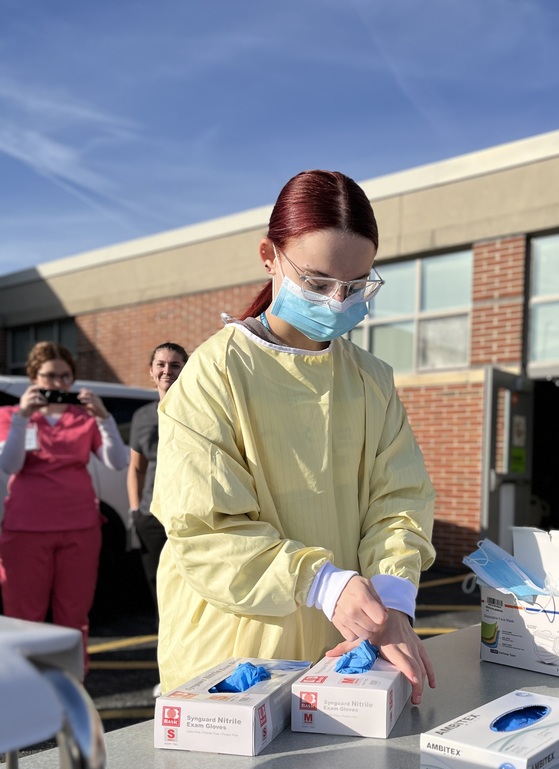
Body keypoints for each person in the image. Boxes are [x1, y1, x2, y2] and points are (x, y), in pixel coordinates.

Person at [152, 169, 436, 702]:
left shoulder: (369, 379)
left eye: (355, 286)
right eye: (318, 282)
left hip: (346, 644)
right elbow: (205, 531)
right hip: (237, 657)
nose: (336, 300)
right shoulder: (216, 373)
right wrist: (325, 584)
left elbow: (399, 501)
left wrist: (392, 600)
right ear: (269, 256)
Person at [0, 341, 128, 672]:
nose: (57, 384)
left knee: (74, 614)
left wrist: (105, 417)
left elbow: (117, 461)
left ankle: (72, 681)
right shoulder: (11, 415)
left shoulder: (83, 419)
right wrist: (22, 418)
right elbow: (9, 465)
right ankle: (24, 682)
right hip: (26, 530)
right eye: (49, 376)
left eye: (65, 377)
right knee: (24, 614)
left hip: (80, 528)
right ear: (33, 377)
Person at [127, 342, 188, 614]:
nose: (167, 371)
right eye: (161, 365)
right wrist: (135, 511)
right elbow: (136, 468)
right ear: (151, 371)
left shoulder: (197, 409)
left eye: (175, 365)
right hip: (151, 517)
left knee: (189, 586)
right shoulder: (141, 416)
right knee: (158, 587)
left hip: (188, 514)